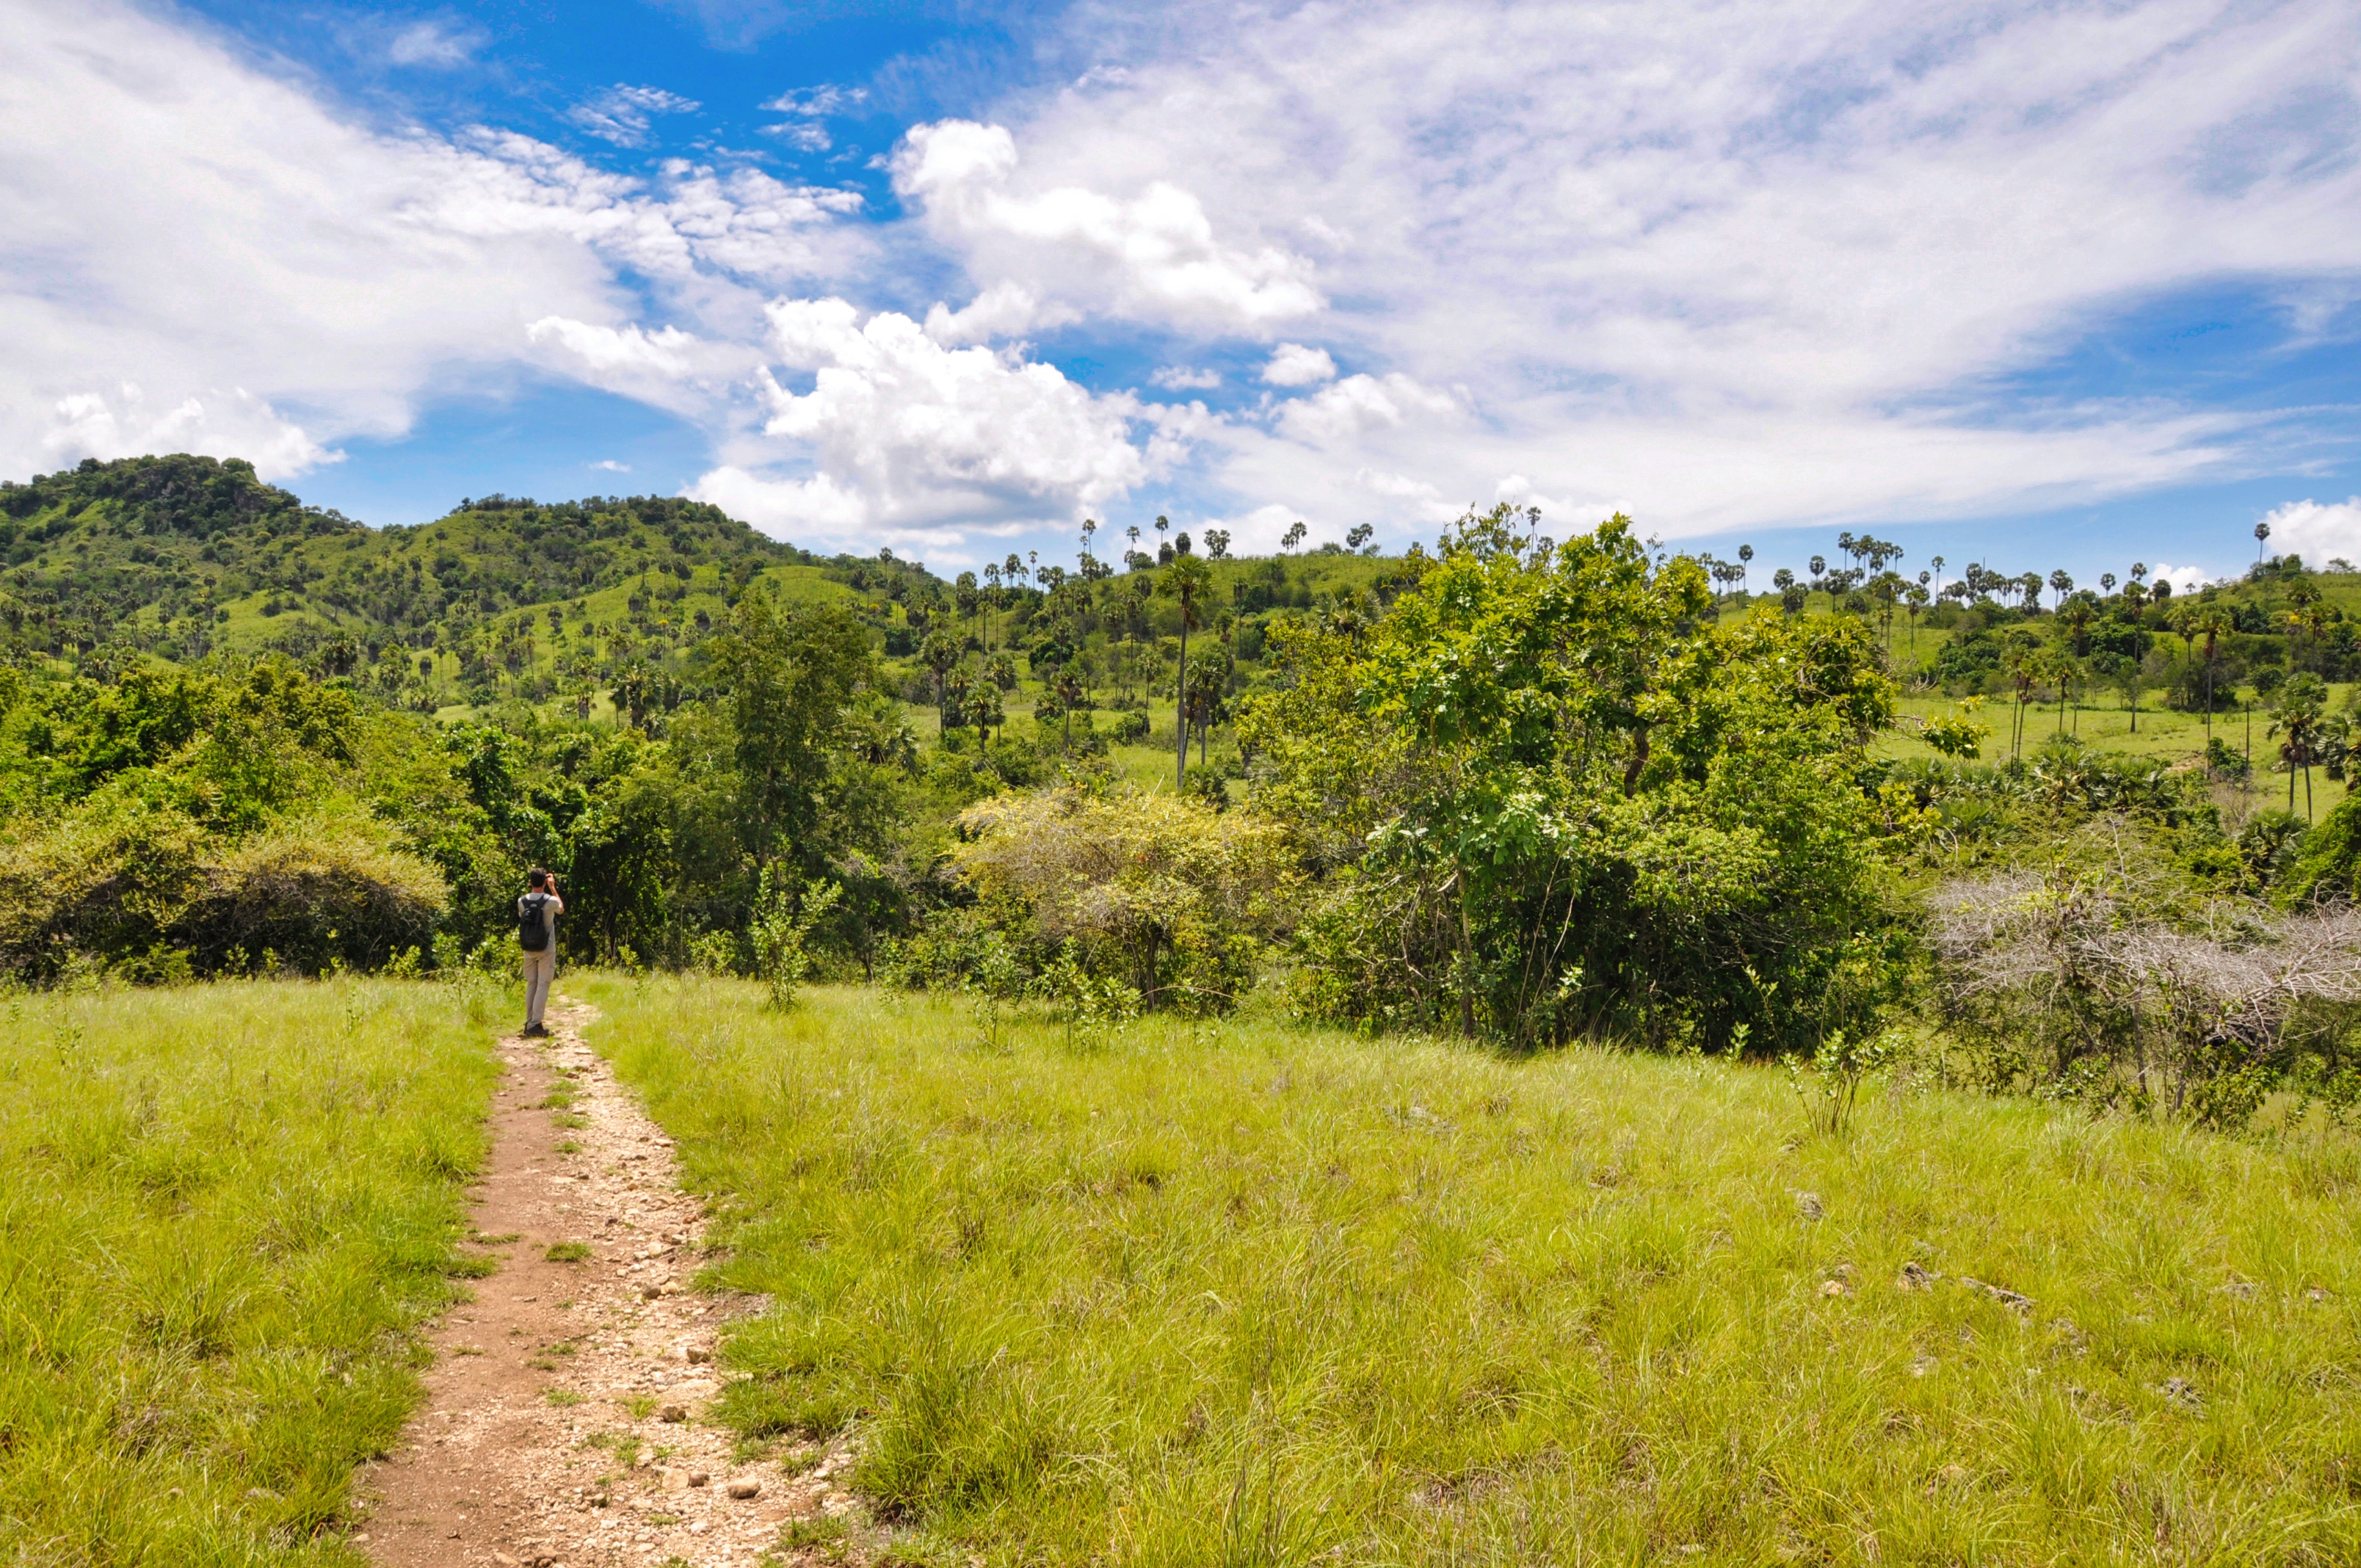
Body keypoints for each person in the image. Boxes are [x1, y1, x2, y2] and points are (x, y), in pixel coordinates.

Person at [518, 868, 563, 1037]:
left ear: (530, 882)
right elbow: (561, 909)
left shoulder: (521, 901)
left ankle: (529, 1022)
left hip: (528, 948)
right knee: (543, 985)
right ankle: (535, 1025)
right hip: (546, 948)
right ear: (545, 882)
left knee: (532, 984)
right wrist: (553, 888)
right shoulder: (550, 900)